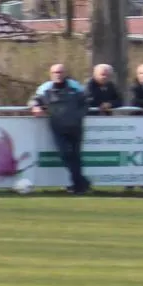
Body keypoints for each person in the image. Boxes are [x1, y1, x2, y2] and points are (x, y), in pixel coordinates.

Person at [29, 63, 91, 193]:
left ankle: (79, 186)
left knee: (75, 156)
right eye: (55, 72)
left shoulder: (75, 87)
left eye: (60, 72)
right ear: (51, 74)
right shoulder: (46, 88)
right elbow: (34, 100)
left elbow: (85, 102)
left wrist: (78, 116)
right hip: (58, 127)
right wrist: (35, 107)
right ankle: (82, 183)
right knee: (65, 154)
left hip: (75, 127)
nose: (58, 75)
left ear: (65, 73)